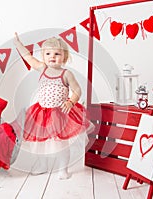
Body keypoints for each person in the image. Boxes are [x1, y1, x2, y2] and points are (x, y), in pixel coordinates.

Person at [12, 32, 93, 180]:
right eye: (48, 53)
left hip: (60, 114)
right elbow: (29, 58)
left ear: (65, 57)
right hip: (41, 113)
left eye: (57, 53)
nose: (52, 56)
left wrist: (71, 102)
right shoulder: (42, 68)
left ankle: (63, 169)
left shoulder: (66, 74)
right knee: (41, 144)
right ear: (43, 56)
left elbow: (77, 90)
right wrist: (18, 44)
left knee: (62, 144)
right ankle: (43, 165)